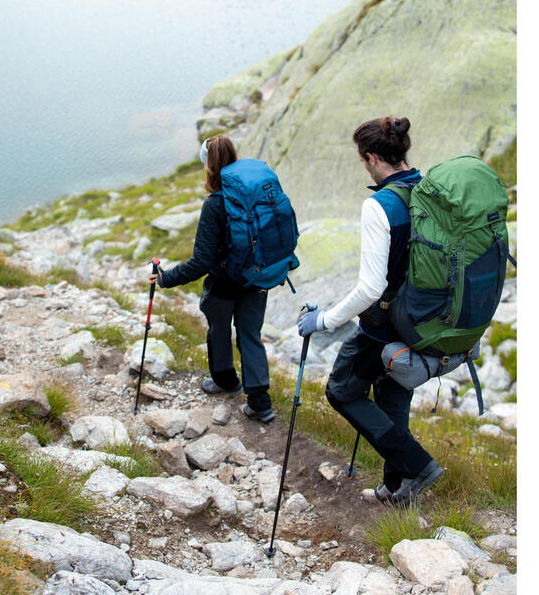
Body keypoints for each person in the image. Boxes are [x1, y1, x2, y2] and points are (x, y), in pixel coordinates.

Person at [297, 116, 443, 505]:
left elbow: (371, 288)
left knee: (343, 391)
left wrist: (323, 320)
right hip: (422, 319)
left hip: (382, 326)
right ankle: (398, 488)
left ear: (372, 157)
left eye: (363, 160)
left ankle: (417, 466)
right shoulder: (428, 188)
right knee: (392, 395)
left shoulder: (379, 205)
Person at [148, 134, 275, 423]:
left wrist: (166, 279)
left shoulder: (215, 204)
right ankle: (260, 403)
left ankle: (226, 382)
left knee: (218, 329)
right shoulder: (256, 192)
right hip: (257, 279)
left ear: (209, 166)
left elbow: (201, 262)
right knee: (250, 336)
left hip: (225, 283)